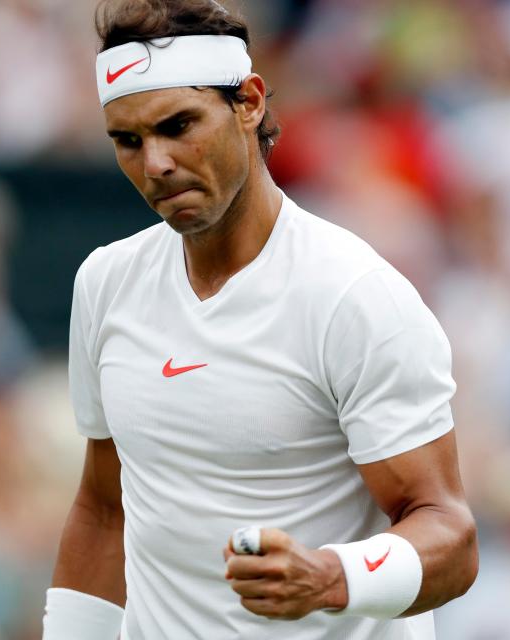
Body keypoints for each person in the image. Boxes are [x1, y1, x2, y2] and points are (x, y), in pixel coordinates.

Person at [44, 1, 477, 638]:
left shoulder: (355, 296)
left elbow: (450, 534)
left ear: (248, 103)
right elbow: (105, 510)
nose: (155, 163)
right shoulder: (107, 283)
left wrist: (331, 577)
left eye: (178, 125)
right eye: (128, 141)